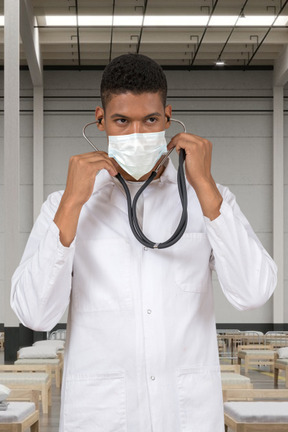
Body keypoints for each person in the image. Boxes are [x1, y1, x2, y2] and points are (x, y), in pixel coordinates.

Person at [11, 53, 277, 432]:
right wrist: (72, 203)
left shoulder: (209, 199)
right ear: (100, 120)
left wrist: (205, 185)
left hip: (186, 415)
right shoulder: (62, 205)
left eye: (150, 120)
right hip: (102, 416)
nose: (137, 133)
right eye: (122, 120)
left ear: (168, 117)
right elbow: (34, 314)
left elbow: (253, 292)